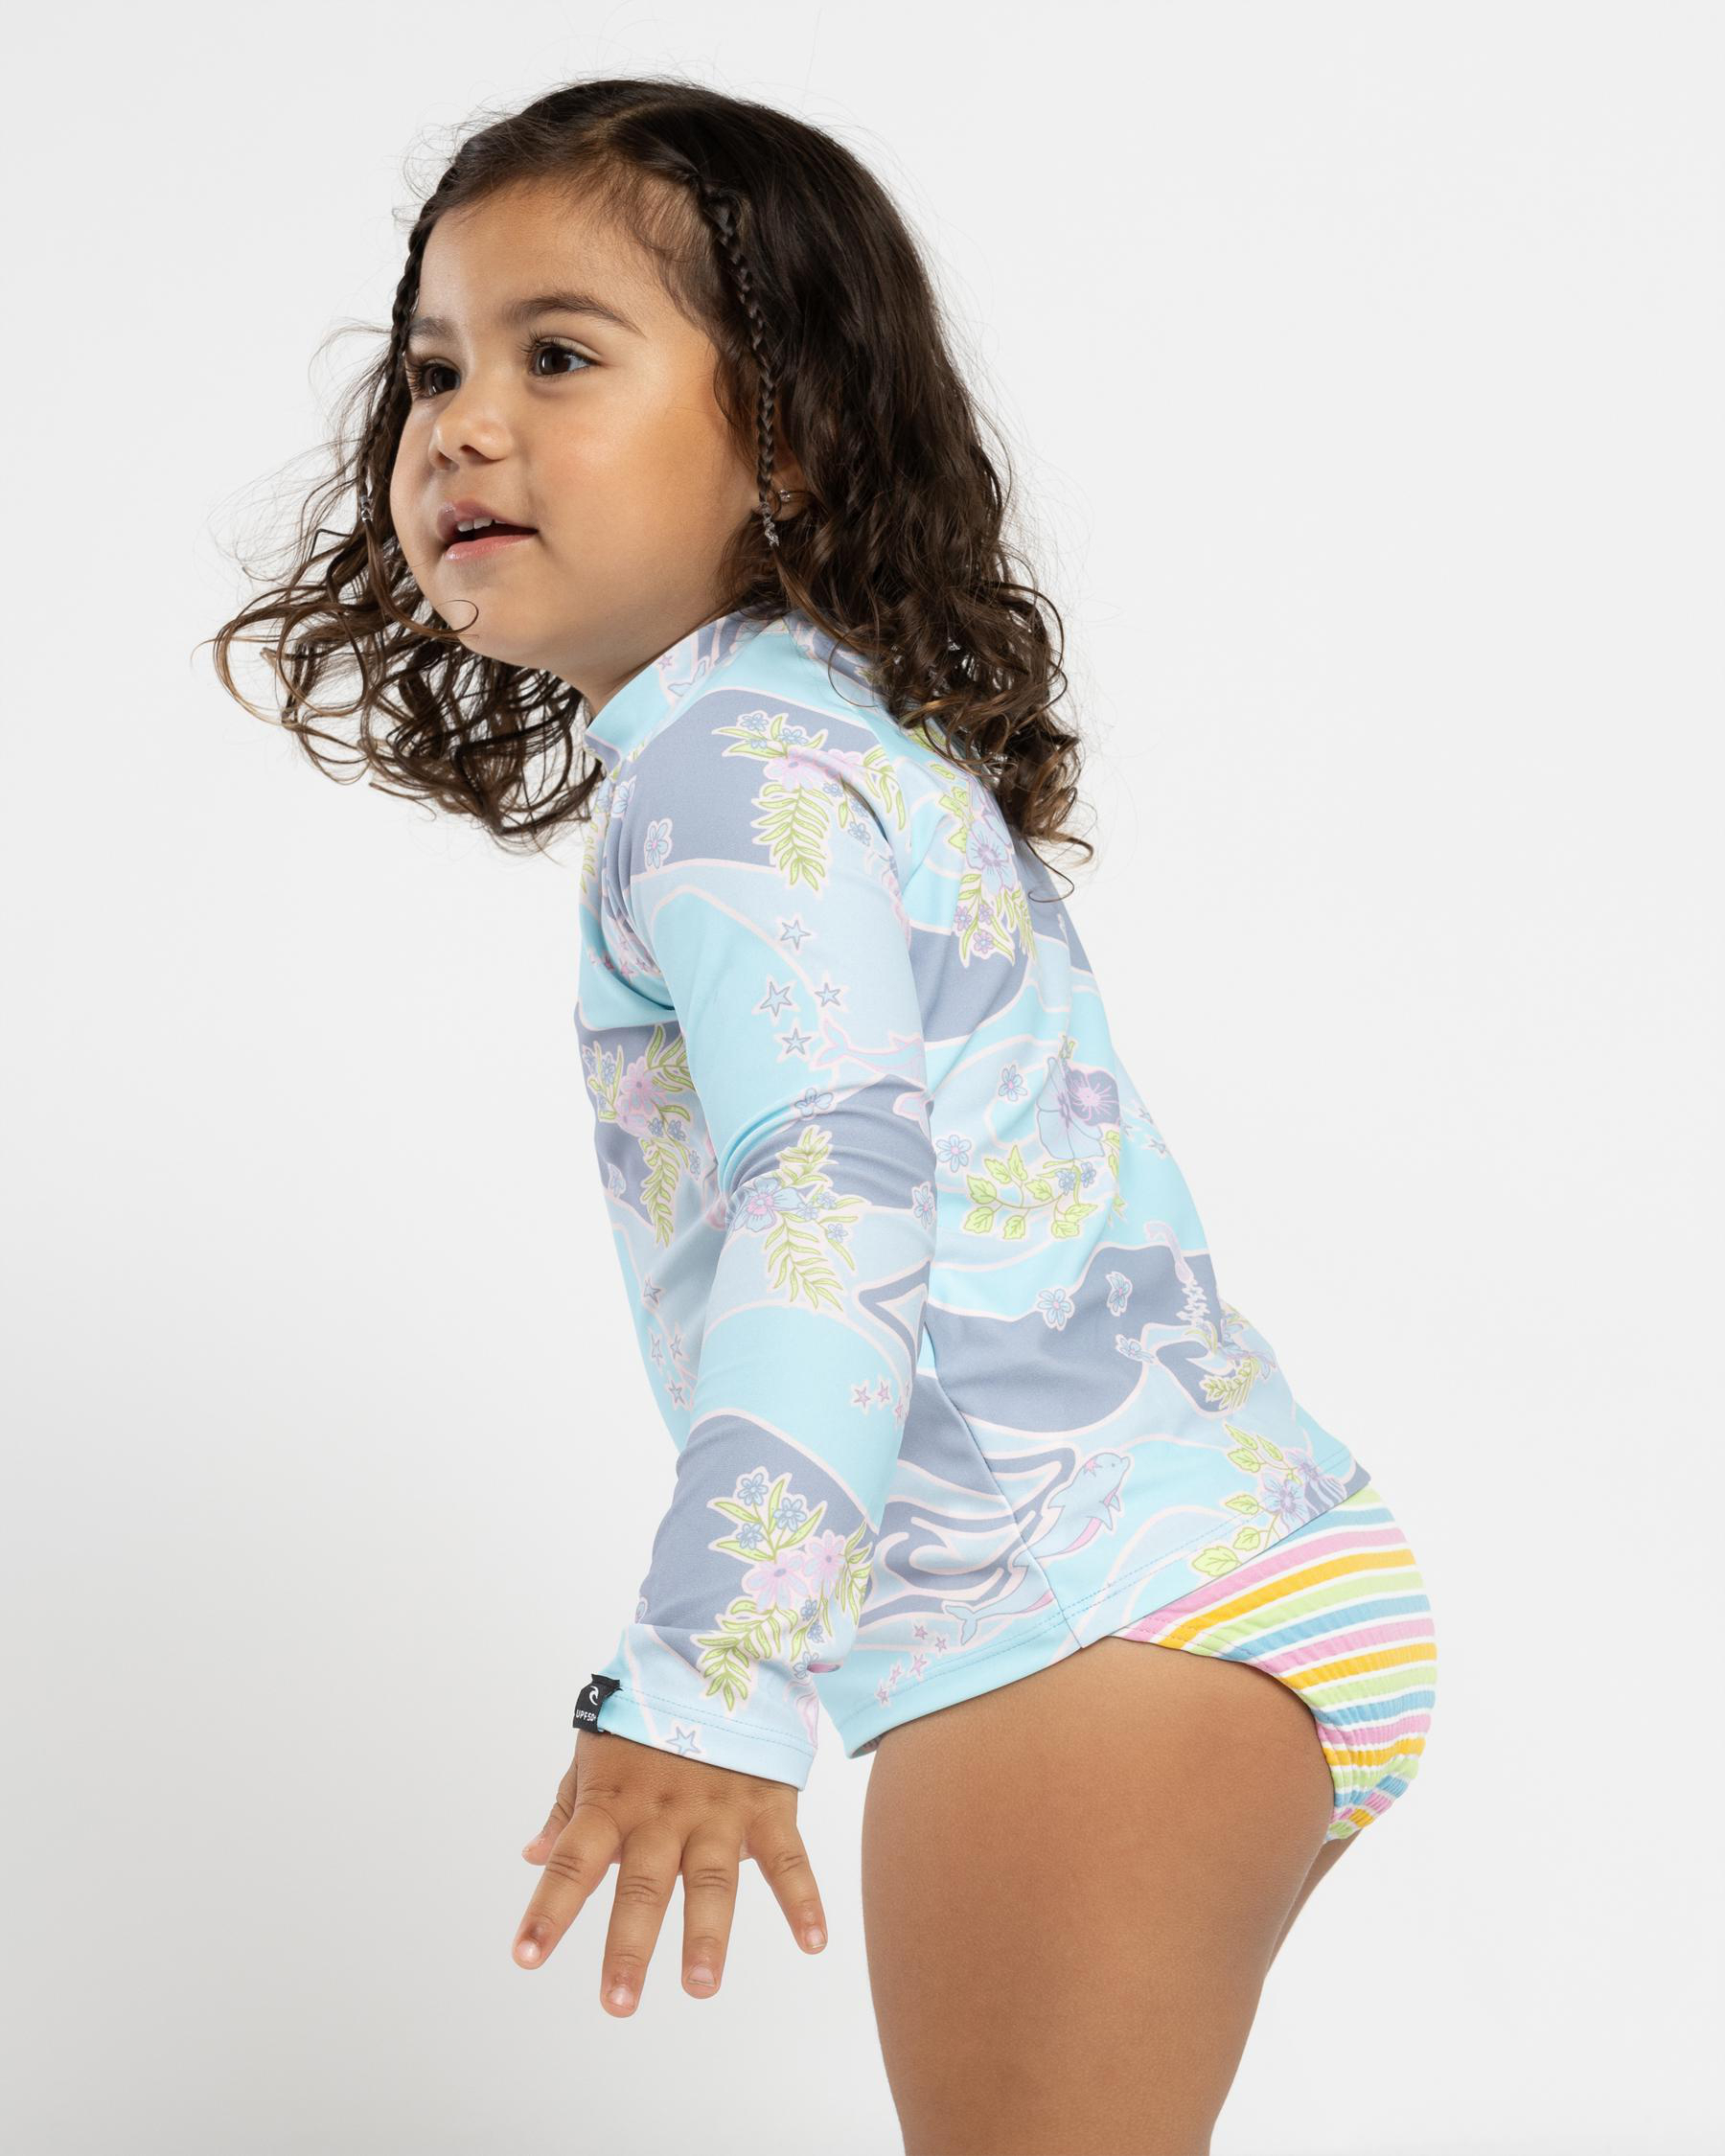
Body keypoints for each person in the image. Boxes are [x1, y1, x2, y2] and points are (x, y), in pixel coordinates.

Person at [207, 75, 1438, 2156]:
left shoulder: (732, 774)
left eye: (558, 355)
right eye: (431, 371)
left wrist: (711, 1673)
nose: (463, 426)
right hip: (1193, 1577)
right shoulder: (825, 735)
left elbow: (829, 1194)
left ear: (791, 434)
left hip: (1080, 1619)